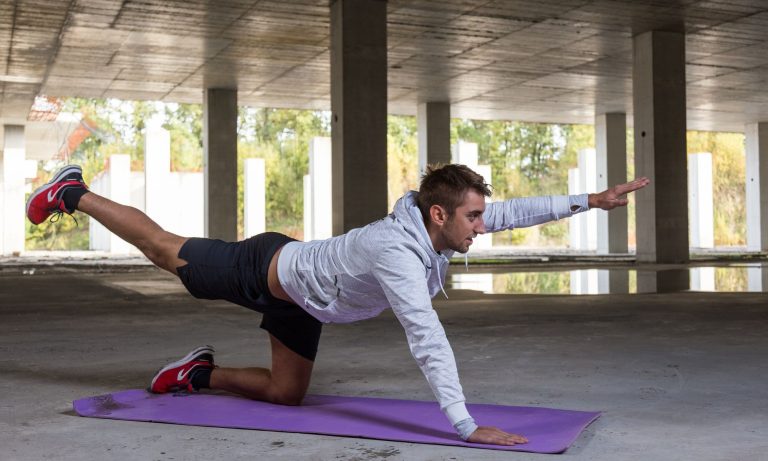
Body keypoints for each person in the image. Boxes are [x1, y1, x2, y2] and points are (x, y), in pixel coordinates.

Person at [26, 163, 649, 446]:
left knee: (285, 397)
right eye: (473, 217)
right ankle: (74, 192)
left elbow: (512, 212)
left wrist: (589, 201)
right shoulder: (396, 254)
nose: (482, 227)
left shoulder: (436, 229)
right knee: (165, 250)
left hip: (307, 304)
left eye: (481, 215)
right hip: (263, 270)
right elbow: (426, 338)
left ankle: (196, 373)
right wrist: (465, 425)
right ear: (439, 215)